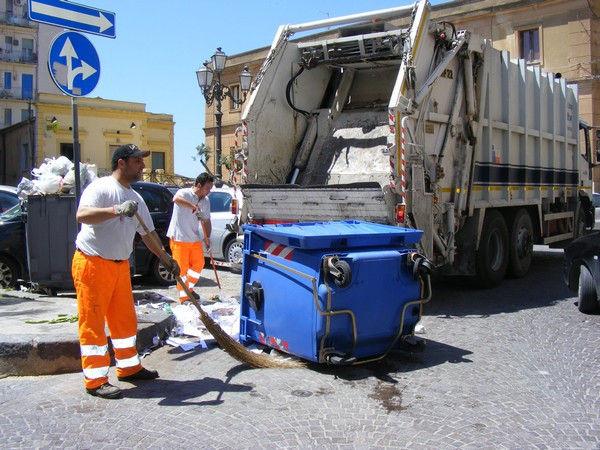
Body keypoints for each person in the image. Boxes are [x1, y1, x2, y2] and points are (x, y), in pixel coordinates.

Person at [71, 144, 180, 400]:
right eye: (137, 161)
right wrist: (115, 210)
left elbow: (149, 235)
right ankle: (96, 380)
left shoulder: (137, 199)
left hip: (119, 267)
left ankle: (129, 367)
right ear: (121, 163)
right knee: (93, 324)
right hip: (92, 263)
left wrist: (166, 258)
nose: (143, 166)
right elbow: (82, 215)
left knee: (124, 321)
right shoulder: (101, 188)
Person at [167, 172, 214, 303]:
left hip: (194, 237)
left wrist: (207, 238)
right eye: (207, 188)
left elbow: (206, 220)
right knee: (182, 269)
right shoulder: (184, 193)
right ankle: (184, 297)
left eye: (210, 188)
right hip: (179, 237)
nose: (209, 191)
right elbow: (176, 199)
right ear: (199, 185)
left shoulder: (206, 201)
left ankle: (189, 289)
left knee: (199, 264)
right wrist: (193, 207)